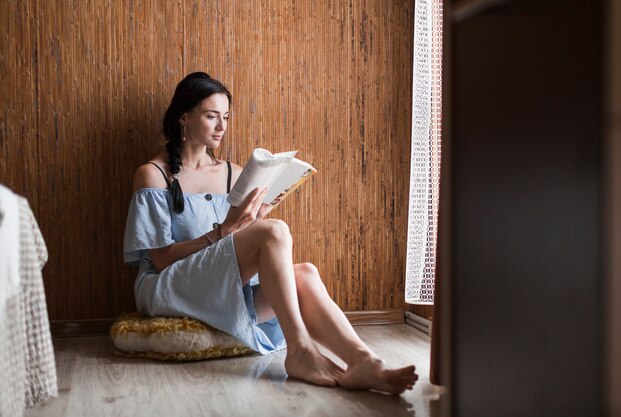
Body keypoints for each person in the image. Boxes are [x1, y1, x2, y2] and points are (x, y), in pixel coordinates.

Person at [123, 72, 418, 394]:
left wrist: (254, 218)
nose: (222, 126)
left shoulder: (233, 174)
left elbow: (235, 251)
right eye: (211, 116)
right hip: (167, 286)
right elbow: (162, 259)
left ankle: (365, 361)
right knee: (274, 231)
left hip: (220, 284)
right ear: (184, 117)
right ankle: (301, 351)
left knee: (305, 273)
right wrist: (226, 229)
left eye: (226, 117)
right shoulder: (153, 175)